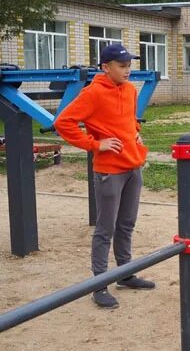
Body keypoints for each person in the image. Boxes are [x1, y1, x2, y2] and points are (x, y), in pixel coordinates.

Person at [55, 43, 155, 309]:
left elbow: (129, 119)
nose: (128, 70)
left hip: (133, 166)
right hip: (110, 171)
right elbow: (63, 123)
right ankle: (99, 285)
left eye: (129, 65)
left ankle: (125, 274)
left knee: (126, 224)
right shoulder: (94, 93)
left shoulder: (130, 90)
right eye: (122, 66)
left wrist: (134, 131)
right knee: (105, 229)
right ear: (105, 67)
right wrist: (95, 144)